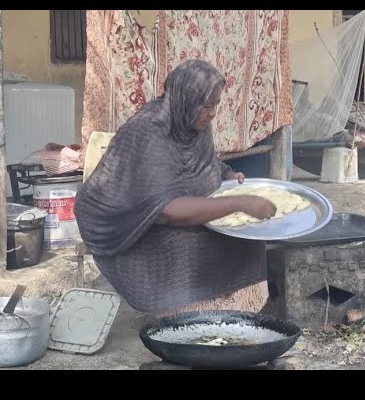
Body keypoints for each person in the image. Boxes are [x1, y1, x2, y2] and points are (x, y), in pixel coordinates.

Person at [74, 59, 277, 317]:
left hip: (170, 209)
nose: (213, 113)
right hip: (125, 224)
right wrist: (240, 202)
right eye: (207, 105)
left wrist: (226, 173)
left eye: (216, 105)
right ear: (186, 100)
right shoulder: (148, 130)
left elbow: (206, 161)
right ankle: (186, 314)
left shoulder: (194, 122)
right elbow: (166, 211)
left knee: (247, 236)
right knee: (186, 244)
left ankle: (234, 310)